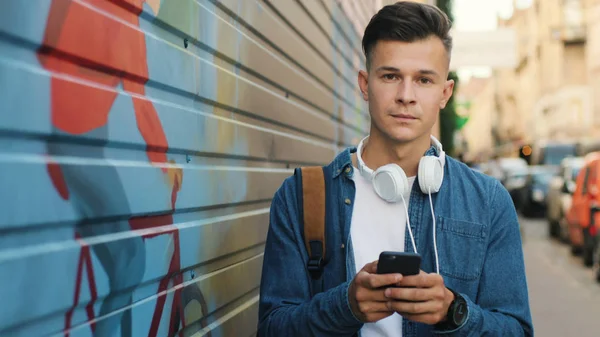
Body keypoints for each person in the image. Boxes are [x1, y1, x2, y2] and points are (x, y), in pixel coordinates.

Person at [257, 2, 533, 336]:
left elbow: (516, 330)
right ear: (364, 84)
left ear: (445, 93)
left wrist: (454, 312)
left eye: (424, 80)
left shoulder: (488, 202)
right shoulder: (301, 198)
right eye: (390, 76)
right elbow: (272, 328)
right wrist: (345, 306)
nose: (406, 96)